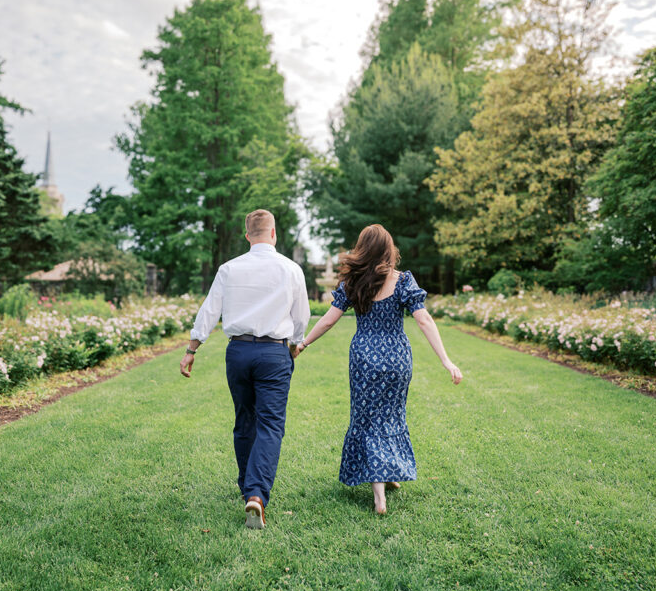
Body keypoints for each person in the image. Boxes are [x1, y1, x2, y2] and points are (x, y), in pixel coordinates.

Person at [294, 224, 462, 514]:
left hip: (364, 358)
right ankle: (385, 474)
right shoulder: (403, 281)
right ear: (388, 249)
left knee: (367, 418)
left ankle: (380, 495)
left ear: (362, 249)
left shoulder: (353, 282)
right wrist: (446, 360)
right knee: (391, 415)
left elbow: (329, 320)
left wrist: (304, 343)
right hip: (397, 357)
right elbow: (424, 321)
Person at [180, 209, 310, 530]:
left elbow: (209, 311)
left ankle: (246, 488)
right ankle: (256, 493)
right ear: (274, 233)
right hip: (273, 353)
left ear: (247, 235)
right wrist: (295, 344)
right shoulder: (291, 269)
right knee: (270, 424)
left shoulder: (229, 268)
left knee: (245, 419)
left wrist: (191, 349)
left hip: (238, 351)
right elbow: (301, 317)